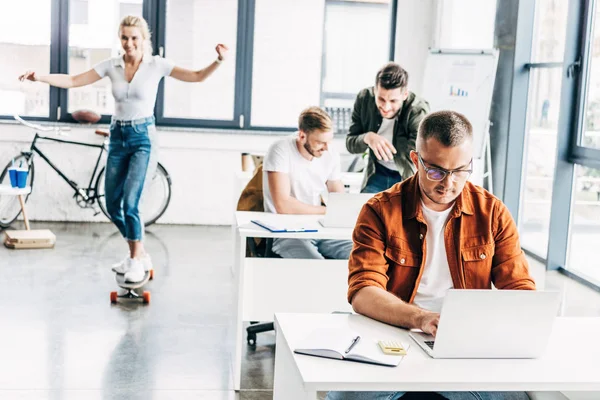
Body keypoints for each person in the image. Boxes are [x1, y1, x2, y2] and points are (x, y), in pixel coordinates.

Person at [328, 111, 535, 400]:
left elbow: (520, 289)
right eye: (436, 170)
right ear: (416, 160)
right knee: (347, 398)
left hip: (463, 346)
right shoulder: (379, 210)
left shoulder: (493, 213)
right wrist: (421, 318)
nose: (448, 183)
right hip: (394, 335)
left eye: (460, 171)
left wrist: (494, 328)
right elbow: (363, 291)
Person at [19, 15, 228, 283]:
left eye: (134, 38)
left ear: (144, 39)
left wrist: (219, 60)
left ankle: (134, 259)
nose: (128, 43)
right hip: (118, 136)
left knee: (131, 203)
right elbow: (73, 80)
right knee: (112, 203)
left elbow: (197, 77)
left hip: (144, 138)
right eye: (124, 37)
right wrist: (39, 77)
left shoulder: (157, 65)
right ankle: (138, 255)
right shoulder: (112, 66)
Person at [262, 106, 353, 259]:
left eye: (328, 141)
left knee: (362, 256)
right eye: (319, 142)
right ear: (302, 136)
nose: (326, 148)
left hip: (319, 228)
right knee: (316, 265)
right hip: (286, 231)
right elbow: (283, 205)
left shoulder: (329, 153)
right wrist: (327, 211)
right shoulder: (280, 150)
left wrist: (343, 210)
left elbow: (339, 198)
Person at [346, 62, 429, 194]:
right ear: (375, 90)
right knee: (365, 213)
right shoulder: (364, 99)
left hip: (405, 176)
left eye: (393, 101)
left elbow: (422, 154)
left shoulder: (418, 110)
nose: (386, 107)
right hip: (376, 173)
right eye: (381, 99)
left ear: (405, 95)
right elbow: (350, 144)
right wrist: (368, 137)